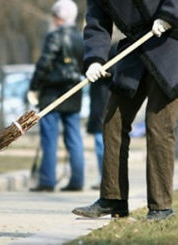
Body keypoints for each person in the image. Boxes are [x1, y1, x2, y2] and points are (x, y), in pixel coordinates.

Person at [72, 0, 178, 220]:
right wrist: (94, 59)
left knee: (158, 126)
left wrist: (169, 15)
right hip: (135, 49)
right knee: (113, 120)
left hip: (170, 46)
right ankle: (113, 199)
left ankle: (161, 207)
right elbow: (97, 23)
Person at [28, 0, 85, 192]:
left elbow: (44, 63)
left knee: (49, 137)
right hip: (74, 91)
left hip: (52, 92)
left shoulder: (54, 37)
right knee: (74, 137)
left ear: (58, 17)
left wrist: (33, 87)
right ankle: (77, 180)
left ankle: (47, 180)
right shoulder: (80, 37)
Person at [88, 45, 116, 190]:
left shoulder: (115, 48)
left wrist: (108, 71)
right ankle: (104, 177)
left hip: (106, 101)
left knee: (102, 143)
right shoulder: (97, 49)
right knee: (100, 141)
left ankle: (106, 179)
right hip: (100, 100)